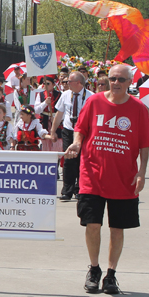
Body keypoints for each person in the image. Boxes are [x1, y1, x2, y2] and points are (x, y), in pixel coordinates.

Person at [64, 64, 149, 294]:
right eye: (112, 78)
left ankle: (111, 275)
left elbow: (144, 145)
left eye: (121, 80)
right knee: (92, 225)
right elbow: (80, 129)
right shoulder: (94, 102)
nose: (116, 83)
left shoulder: (139, 110)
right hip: (92, 175)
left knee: (117, 228)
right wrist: (76, 142)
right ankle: (94, 269)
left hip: (123, 179)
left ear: (129, 83)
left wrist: (142, 172)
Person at [51, 71, 94, 201]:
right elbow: (59, 113)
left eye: (69, 81)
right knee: (69, 161)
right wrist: (53, 131)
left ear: (78, 83)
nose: (66, 83)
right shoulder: (65, 95)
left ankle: (80, 189)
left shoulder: (91, 97)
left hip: (84, 132)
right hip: (68, 130)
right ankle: (67, 191)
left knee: (82, 161)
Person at [34, 75, 63, 152]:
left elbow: (63, 110)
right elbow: (37, 110)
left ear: (53, 85)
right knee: (45, 143)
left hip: (56, 120)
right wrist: (45, 103)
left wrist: (57, 118)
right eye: (44, 83)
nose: (45, 85)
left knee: (58, 143)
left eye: (48, 83)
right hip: (45, 120)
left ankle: (57, 160)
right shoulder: (40, 95)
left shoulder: (60, 95)